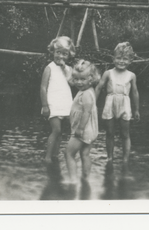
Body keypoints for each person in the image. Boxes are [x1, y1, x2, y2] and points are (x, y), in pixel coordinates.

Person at [95, 42, 140, 170]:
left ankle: (125, 159)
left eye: (125, 59)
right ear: (113, 58)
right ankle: (110, 158)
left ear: (130, 60)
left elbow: (135, 92)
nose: (121, 61)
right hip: (110, 103)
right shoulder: (108, 73)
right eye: (118, 58)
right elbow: (98, 88)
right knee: (109, 132)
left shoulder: (131, 75)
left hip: (124, 104)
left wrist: (136, 109)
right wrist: (92, 103)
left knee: (125, 134)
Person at [40, 36, 75, 165]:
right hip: (52, 104)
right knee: (56, 130)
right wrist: (45, 105)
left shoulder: (69, 69)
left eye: (64, 54)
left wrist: (65, 68)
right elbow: (43, 87)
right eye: (58, 52)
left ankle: (55, 155)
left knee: (62, 133)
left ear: (69, 55)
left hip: (65, 103)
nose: (60, 56)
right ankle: (48, 156)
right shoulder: (49, 68)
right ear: (53, 52)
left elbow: (72, 83)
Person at [65, 59, 100, 186]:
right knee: (85, 154)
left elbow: (87, 112)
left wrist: (79, 129)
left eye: (83, 79)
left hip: (83, 129)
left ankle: (73, 181)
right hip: (90, 130)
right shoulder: (88, 90)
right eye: (76, 79)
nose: (79, 82)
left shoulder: (86, 94)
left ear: (91, 78)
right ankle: (86, 180)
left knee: (68, 153)